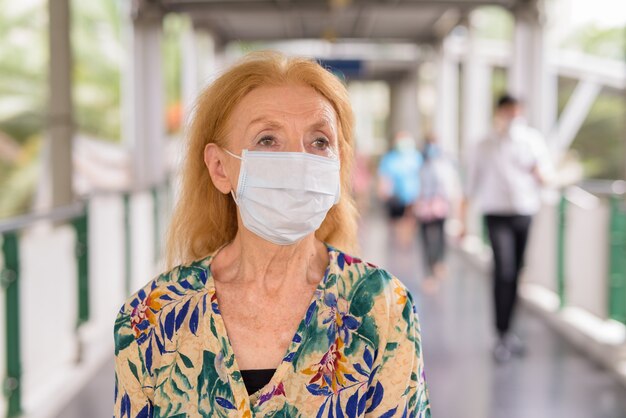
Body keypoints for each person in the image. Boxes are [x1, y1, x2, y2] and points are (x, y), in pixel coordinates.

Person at [113, 52, 430, 418]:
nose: (298, 161)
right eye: (267, 140)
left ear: (338, 163)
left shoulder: (383, 308)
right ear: (219, 168)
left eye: (319, 141)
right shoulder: (150, 320)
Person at [460, 94, 552, 363]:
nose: (513, 116)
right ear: (499, 112)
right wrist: (463, 222)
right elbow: (471, 184)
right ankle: (500, 333)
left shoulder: (532, 141)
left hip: (524, 213)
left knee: (516, 274)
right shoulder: (484, 144)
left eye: (517, 111)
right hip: (496, 214)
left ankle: (509, 332)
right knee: (504, 270)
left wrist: (540, 174)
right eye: (509, 110)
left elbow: (545, 177)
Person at [414, 136, 452, 293]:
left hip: (439, 206)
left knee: (440, 237)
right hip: (424, 207)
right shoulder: (421, 166)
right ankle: (429, 272)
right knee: (426, 241)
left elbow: (449, 188)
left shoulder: (444, 166)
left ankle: (438, 263)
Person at [377, 131, 423, 247]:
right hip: (395, 196)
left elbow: (422, 175)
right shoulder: (390, 158)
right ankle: (399, 240)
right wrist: (383, 192)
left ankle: (406, 240)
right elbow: (384, 177)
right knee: (397, 221)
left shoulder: (416, 156)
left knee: (410, 220)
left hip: (413, 195)